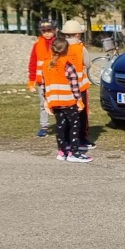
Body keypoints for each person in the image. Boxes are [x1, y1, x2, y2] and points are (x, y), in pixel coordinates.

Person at [40, 35, 92, 163]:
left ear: (52, 49)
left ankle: (62, 151)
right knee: (74, 125)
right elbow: (74, 86)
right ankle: (74, 153)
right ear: (67, 50)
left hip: (54, 102)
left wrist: (47, 101)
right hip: (68, 101)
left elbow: (44, 85)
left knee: (60, 126)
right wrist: (79, 100)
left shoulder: (46, 65)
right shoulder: (68, 66)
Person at [60, 20, 95, 150]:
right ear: (77, 34)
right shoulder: (80, 48)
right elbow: (88, 64)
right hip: (80, 86)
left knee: (67, 115)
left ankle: (67, 140)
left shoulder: (60, 47)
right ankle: (81, 140)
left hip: (65, 87)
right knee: (81, 114)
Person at [26, 19, 57, 137]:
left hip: (56, 80)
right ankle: (44, 126)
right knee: (43, 103)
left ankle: (61, 124)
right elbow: (33, 63)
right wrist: (32, 80)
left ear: (55, 30)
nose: (47, 33)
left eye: (49, 30)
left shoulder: (59, 43)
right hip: (42, 80)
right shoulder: (37, 45)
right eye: (44, 31)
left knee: (58, 103)